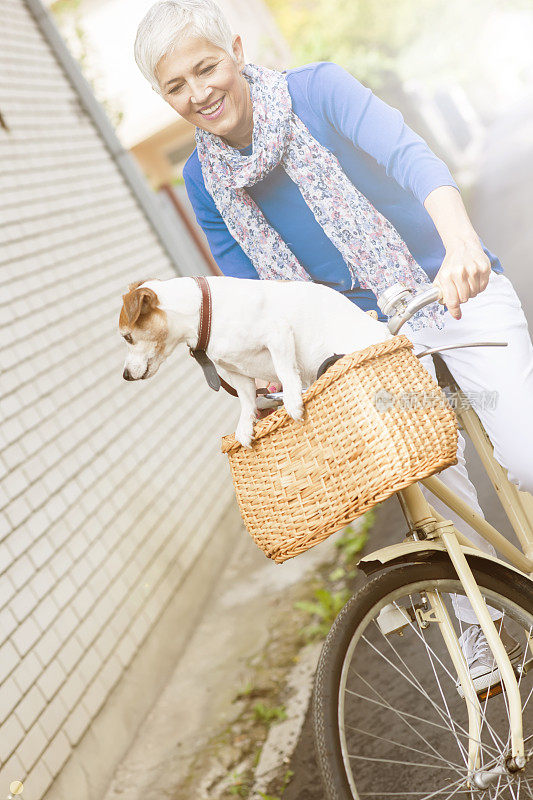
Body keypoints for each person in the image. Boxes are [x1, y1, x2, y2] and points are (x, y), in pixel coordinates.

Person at [134, 0, 533, 690]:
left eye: (205, 68)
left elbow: (412, 159)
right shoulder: (204, 180)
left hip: (445, 286)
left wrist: (461, 243)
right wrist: (259, 381)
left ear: (233, 49)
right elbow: (257, 294)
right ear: (162, 96)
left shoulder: (317, 90)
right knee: (431, 485)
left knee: (524, 454)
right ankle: (480, 621)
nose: (198, 93)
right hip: (363, 342)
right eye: (175, 86)